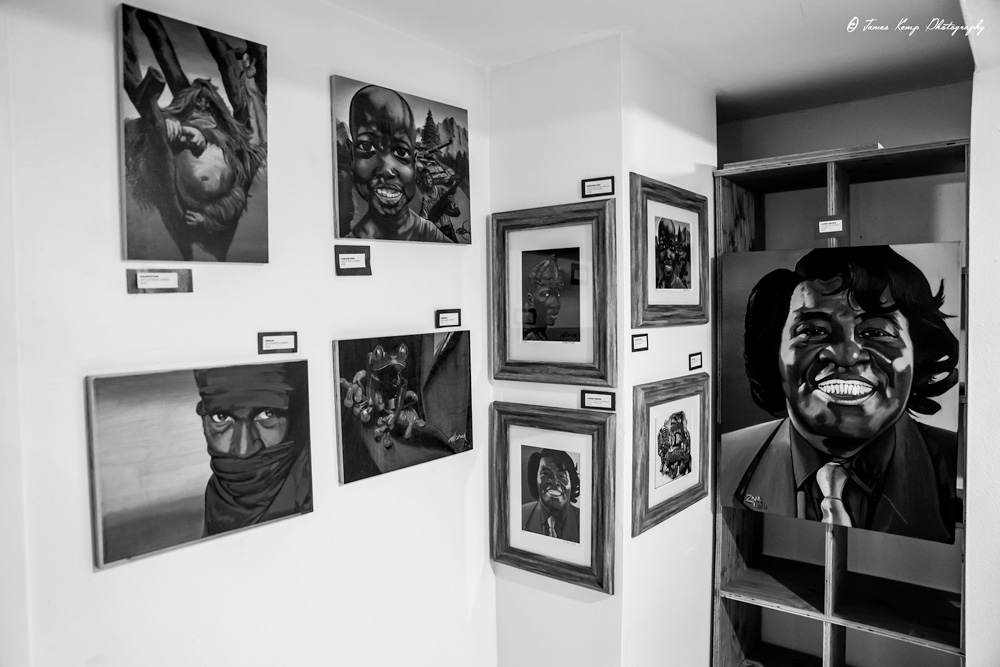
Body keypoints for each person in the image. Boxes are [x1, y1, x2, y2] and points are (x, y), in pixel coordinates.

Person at [719, 246, 959, 542]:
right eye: (813, 331)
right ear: (774, 352)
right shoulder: (727, 460)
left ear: (918, 355)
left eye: (876, 333)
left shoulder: (959, 468)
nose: (847, 355)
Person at [194, 362, 312, 535]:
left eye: (267, 415)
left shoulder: (308, 487)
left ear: (294, 418)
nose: (244, 450)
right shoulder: (218, 491)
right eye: (221, 417)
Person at [345, 85, 453, 243]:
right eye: (367, 147)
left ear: (414, 164)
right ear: (351, 156)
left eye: (401, 152)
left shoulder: (432, 234)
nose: (386, 169)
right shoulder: (350, 242)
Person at [521, 449, 581, 543]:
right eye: (546, 473)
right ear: (535, 479)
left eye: (561, 476)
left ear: (572, 483)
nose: (554, 482)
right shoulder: (519, 515)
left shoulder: (585, 521)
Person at [522, 255, 565, 341]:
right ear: (531, 300)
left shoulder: (539, 334)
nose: (555, 304)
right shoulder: (530, 338)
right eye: (546, 294)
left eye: (557, 295)